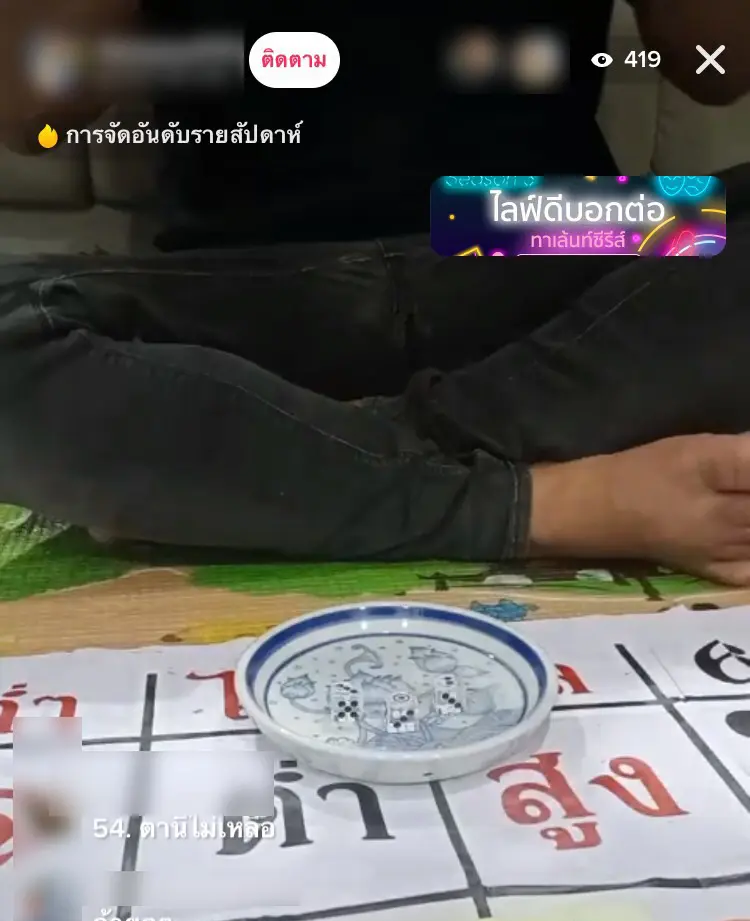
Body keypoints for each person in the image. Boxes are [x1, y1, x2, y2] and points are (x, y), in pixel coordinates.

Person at [0, 1, 750, 581]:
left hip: (544, 222)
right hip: (253, 269)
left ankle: (276, 462)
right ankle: (541, 500)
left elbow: (717, 69)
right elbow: (30, 105)